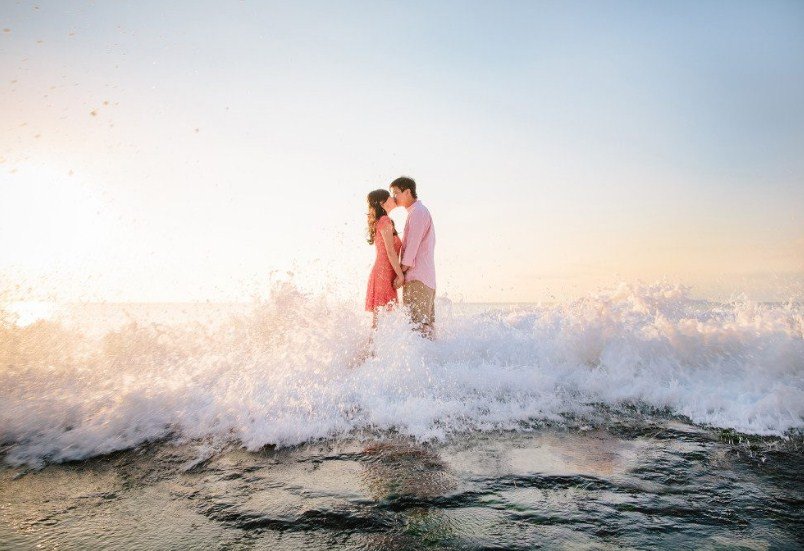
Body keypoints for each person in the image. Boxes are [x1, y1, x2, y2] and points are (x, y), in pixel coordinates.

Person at [389, 177, 436, 338]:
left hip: (417, 278)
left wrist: (400, 273)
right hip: (422, 278)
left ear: (408, 191)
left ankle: (427, 362)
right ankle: (435, 362)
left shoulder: (418, 212)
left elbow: (412, 248)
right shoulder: (416, 212)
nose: (394, 197)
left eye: (396, 193)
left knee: (418, 328)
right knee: (424, 327)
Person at [364, 189, 403, 328]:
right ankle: (372, 349)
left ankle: (371, 349)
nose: (393, 198)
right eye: (390, 197)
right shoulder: (385, 220)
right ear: (382, 203)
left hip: (382, 272)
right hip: (384, 274)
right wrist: (401, 275)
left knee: (378, 322)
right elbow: (390, 252)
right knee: (381, 321)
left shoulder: (380, 221)